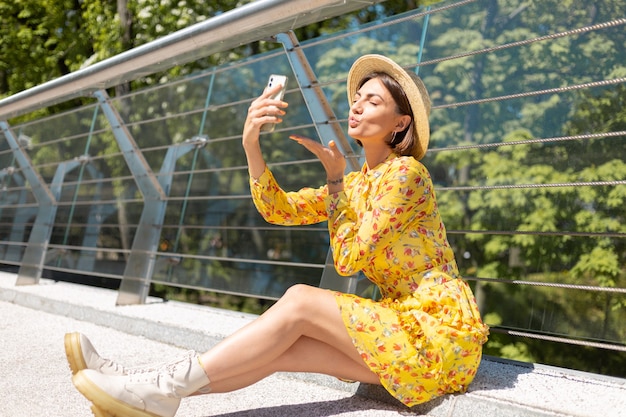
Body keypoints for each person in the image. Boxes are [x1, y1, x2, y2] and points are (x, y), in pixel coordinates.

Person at [66, 54, 489, 417]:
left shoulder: (406, 175)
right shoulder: (358, 183)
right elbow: (279, 208)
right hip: (400, 334)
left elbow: (347, 259)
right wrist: (251, 144)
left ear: (400, 123)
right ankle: (153, 389)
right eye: (357, 97)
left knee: (301, 300)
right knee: (285, 349)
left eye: (372, 100)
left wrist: (335, 180)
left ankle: (155, 386)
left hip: (437, 336)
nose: (357, 106)